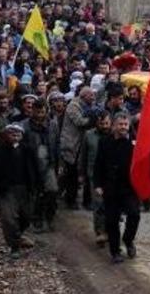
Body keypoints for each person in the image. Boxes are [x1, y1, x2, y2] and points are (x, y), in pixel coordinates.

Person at [93, 112, 140, 263]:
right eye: (120, 124)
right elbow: (98, 164)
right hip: (111, 187)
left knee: (134, 214)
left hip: (130, 188)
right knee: (112, 221)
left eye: (125, 124)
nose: (123, 127)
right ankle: (115, 252)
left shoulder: (135, 142)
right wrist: (97, 184)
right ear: (114, 125)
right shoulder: (105, 142)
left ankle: (128, 240)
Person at [0, 124, 39, 259]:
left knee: (26, 217)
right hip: (7, 190)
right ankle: (14, 246)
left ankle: (17, 235)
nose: (15, 135)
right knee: (8, 219)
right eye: (12, 133)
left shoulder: (28, 150)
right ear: (6, 135)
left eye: (18, 133)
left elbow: (35, 169)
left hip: (25, 189)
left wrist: (38, 186)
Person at [23, 99, 60, 232]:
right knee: (37, 192)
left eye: (42, 112)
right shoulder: (25, 126)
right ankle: (37, 218)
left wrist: (59, 163)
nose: (40, 115)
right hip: (32, 164)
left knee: (52, 190)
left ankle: (50, 216)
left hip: (49, 162)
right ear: (33, 111)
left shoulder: (52, 125)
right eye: (37, 112)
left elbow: (57, 143)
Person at [60, 86, 97, 209]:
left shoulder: (88, 106)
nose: (93, 97)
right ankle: (70, 200)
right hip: (71, 144)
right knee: (72, 174)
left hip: (81, 144)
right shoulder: (73, 106)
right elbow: (79, 122)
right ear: (84, 96)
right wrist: (92, 119)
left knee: (81, 173)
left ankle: (81, 200)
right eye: (91, 95)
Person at [80, 111, 112, 246]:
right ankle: (100, 232)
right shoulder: (88, 135)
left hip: (111, 176)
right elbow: (83, 156)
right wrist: (81, 174)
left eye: (106, 123)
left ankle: (110, 231)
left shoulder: (114, 135)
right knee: (98, 204)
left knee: (110, 205)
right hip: (94, 176)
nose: (104, 126)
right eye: (101, 123)